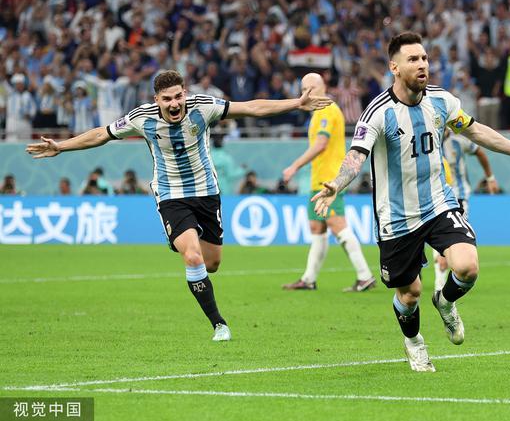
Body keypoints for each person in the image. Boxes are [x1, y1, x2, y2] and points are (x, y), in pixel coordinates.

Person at [311, 33, 510, 372]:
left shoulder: (442, 100)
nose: (422, 65)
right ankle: (414, 342)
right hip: (396, 216)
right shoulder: (378, 112)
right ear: (394, 67)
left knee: (467, 267)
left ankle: (445, 301)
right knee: (409, 294)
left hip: (439, 204)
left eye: (424, 58)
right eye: (413, 59)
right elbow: (356, 155)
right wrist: (337, 184)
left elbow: (475, 131)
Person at [26, 69, 331, 342]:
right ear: (156, 100)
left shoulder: (204, 107)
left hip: (207, 193)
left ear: (185, 93)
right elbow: (101, 134)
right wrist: (61, 146)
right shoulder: (141, 118)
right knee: (192, 255)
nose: (174, 104)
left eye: (178, 96)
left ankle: (196, 267)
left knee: (212, 263)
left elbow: (252, 107)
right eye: (167, 99)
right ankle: (219, 324)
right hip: (171, 196)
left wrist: (296, 103)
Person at [281, 73, 376, 293]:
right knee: (317, 227)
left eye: (309, 88)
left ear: (320, 87)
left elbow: (321, 144)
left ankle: (365, 276)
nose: (306, 93)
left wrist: (295, 166)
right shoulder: (318, 112)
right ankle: (309, 279)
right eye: (303, 89)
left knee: (337, 225)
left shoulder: (327, 110)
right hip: (318, 179)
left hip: (330, 180)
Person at [432, 129, 498, 293]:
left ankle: (443, 282)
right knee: (437, 233)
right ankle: (440, 282)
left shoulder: (460, 140)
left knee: (455, 237)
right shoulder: (428, 137)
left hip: (459, 196)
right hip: (436, 195)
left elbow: (480, 152)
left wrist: (490, 178)